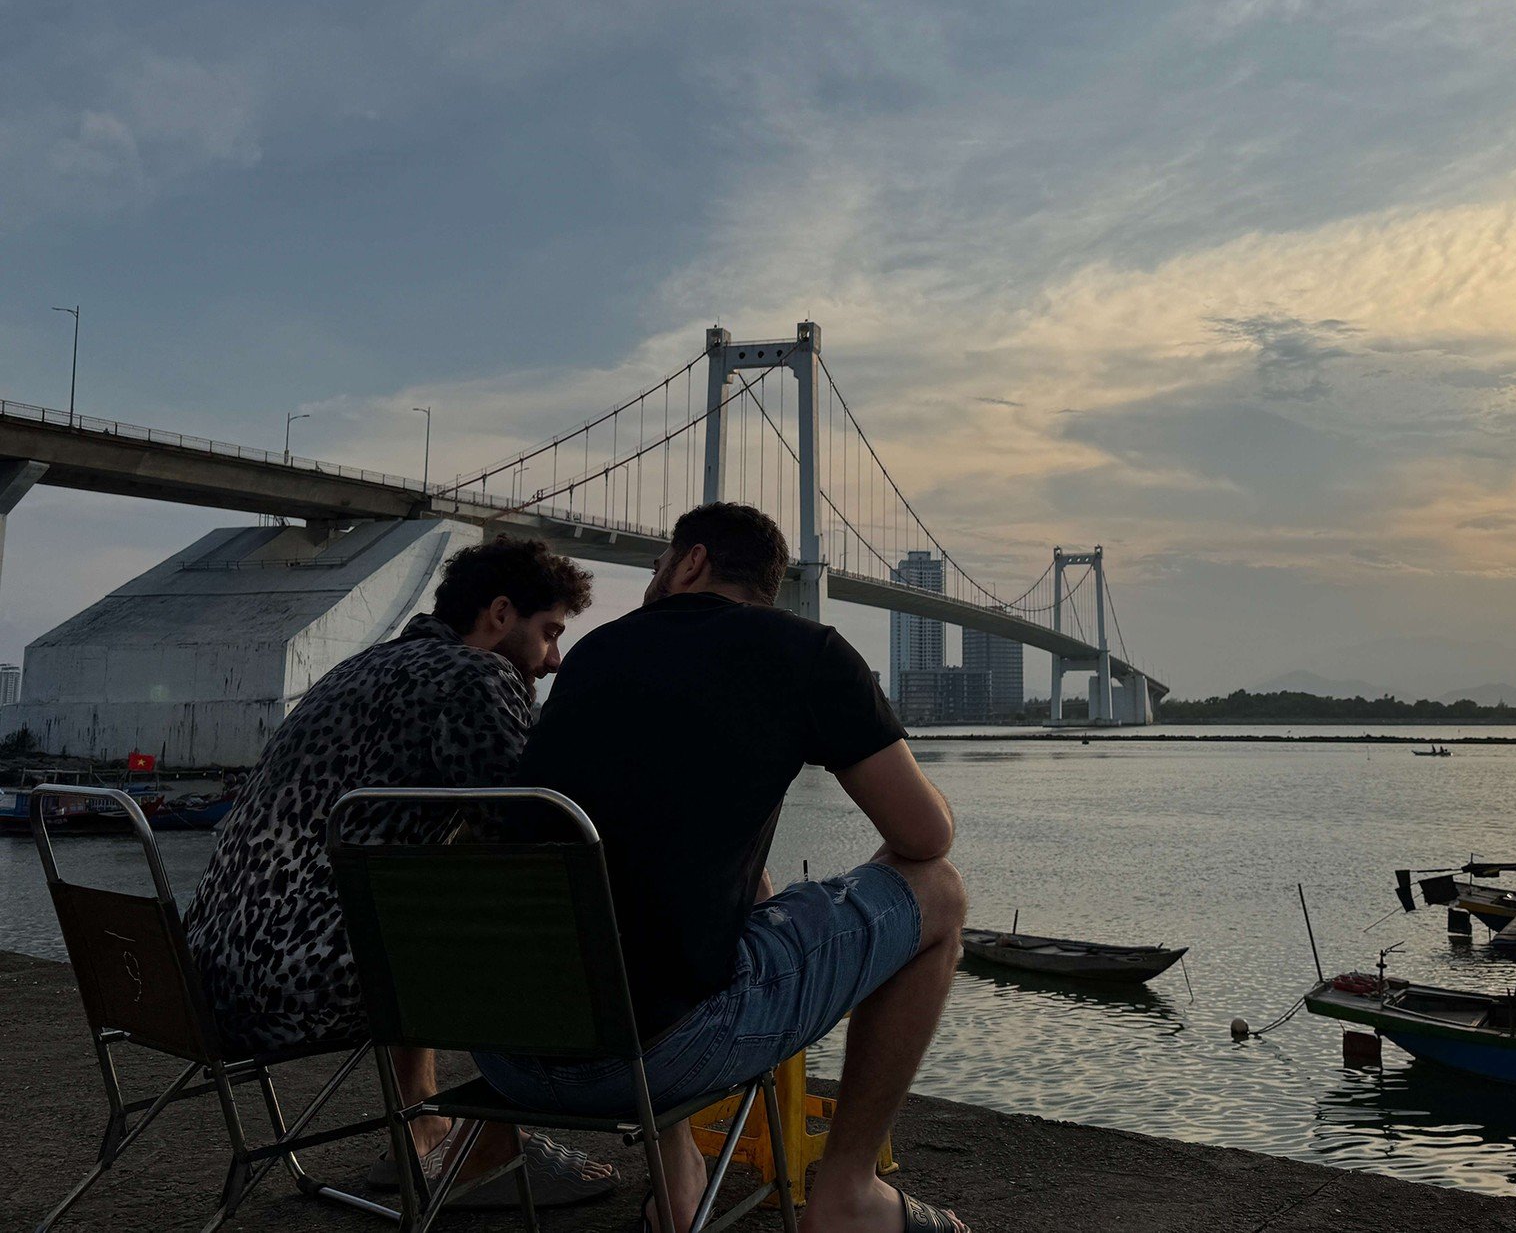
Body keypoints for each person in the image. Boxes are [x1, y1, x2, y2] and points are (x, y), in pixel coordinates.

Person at [488, 502, 969, 1233]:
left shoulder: (595, 654)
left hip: (507, 1054)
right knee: (938, 891)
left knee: (657, 901)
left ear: (691, 561)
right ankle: (847, 1194)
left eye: (656, 564)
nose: (654, 576)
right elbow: (924, 835)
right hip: (655, 1061)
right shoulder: (810, 652)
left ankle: (678, 1183)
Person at [183, 534, 618, 1207]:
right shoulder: (478, 676)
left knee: (422, 874)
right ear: (500, 614)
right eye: (550, 633)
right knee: (534, 895)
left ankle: (421, 1127)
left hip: (206, 984)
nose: (555, 659)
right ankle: (490, 1142)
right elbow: (531, 831)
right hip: (305, 985)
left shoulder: (356, 672)